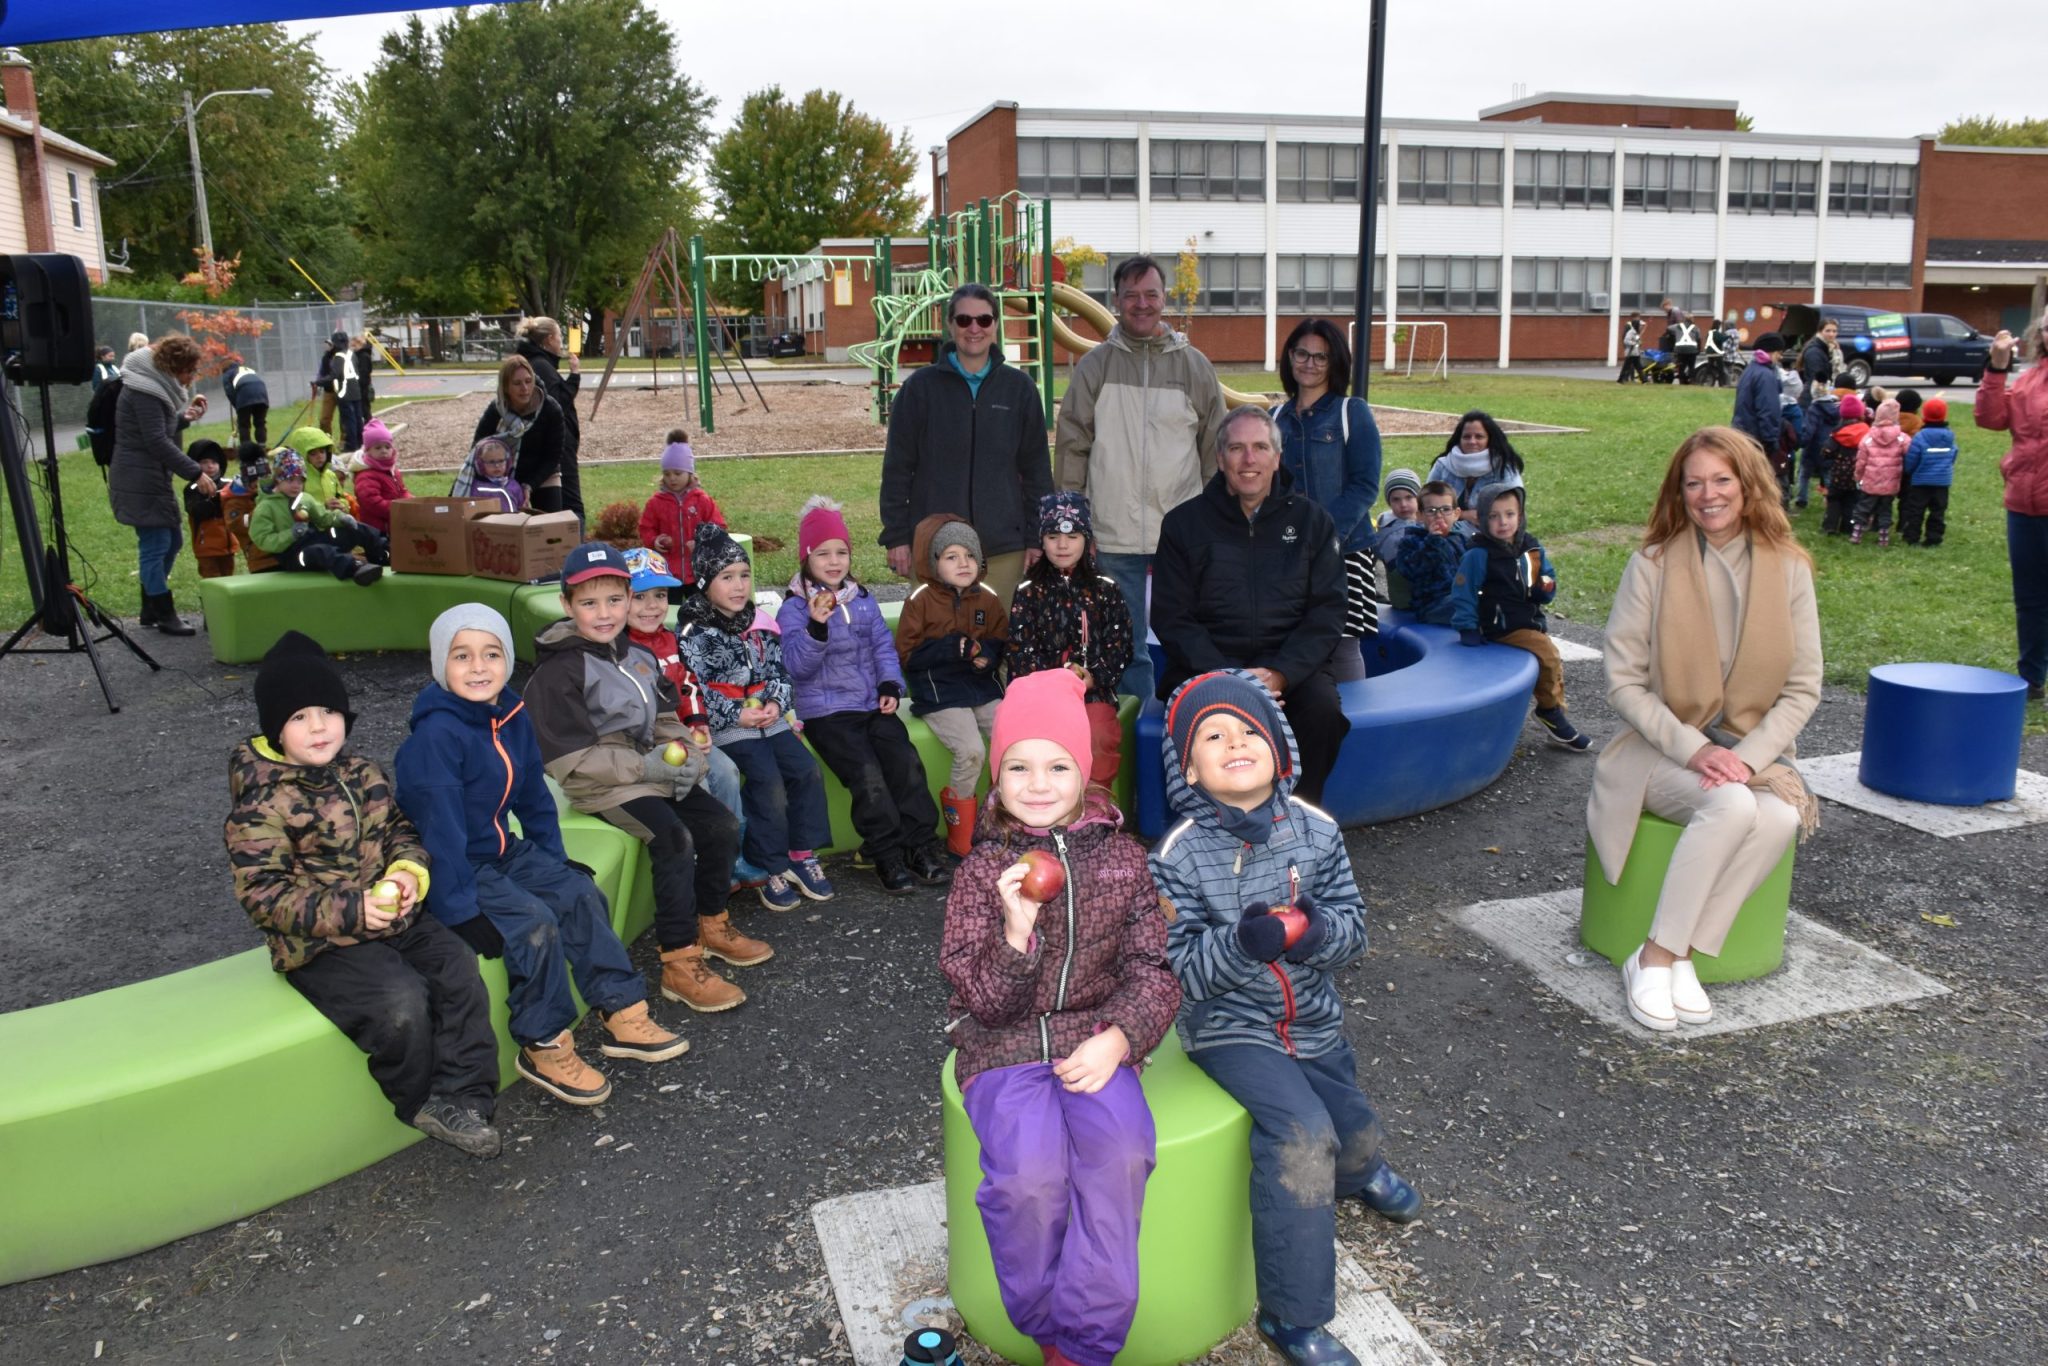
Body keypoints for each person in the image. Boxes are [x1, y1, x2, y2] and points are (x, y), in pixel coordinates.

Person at [1152, 670, 1422, 1366]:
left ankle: (1361, 1174)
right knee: (1302, 1137)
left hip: (1314, 1020)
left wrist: (1307, 930)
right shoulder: (1176, 857)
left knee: (1351, 1127)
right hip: (1231, 1029)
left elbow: (1354, 933)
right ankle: (1292, 1316)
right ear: (1189, 767)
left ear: (1281, 751)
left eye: (1250, 731)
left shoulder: (1318, 831)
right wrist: (1243, 943)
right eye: (1212, 736)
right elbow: (1183, 970)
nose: (1234, 741)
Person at [940, 667, 1180, 1366]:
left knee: (1121, 1156)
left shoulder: (1125, 861)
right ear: (997, 774)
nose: (1038, 783)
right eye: (1018, 765)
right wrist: (1016, 932)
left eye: (1057, 765)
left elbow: (1152, 969)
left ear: (1086, 775)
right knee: (1028, 1182)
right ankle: (1047, 1327)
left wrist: (1121, 1038)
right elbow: (979, 997)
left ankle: (1087, 1345)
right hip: (1002, 1046)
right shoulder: (981, 872)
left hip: (1096, 1040)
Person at [397, 603, 690, 1106]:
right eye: (461, 656)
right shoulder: (435, 738)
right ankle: (543, 1042)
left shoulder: (510, 714)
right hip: (456, 866)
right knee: (534, 923)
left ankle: (620, 1007)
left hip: (502, 850)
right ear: (439, 665)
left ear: (507, 661)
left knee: (578, 892)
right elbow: (439, 833)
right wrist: (460, 910)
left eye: (491, 654)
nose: (478, 667)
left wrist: (554, 860)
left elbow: (533, 796)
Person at [228, 630, 500, 1156]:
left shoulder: (361, 772)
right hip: (322, 944)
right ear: (275, 728)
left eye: (328, 712)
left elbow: (400, 830)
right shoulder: (261, 802)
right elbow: (262, 894)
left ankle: (466, 1096)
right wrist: (354, 911)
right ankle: (419, 1098)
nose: (318, 727)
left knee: (459, 968)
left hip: (395, 917)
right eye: (299, 717)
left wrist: (405, 874)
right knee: (399, 1003)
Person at [1588, 427, 1821, 1033]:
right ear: (1679, 491)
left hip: (1749, 754)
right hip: (1657, 750)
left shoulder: (1789, 569)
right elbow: (1624, 683)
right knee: (1733, 808)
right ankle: (1662, 956)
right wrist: (1696, 752)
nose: (1707, 494)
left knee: (1777, 815)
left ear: (1747, 485)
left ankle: (1668, 952)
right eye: (1694, 483)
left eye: (1721, 480)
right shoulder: (1654, 564)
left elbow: (1802, 688)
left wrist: (1746, 759)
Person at [524, 545, 762, 1015]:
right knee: (673, 837)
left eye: (614, 600)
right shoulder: (558, 672)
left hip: (649, 768)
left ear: (628, 600)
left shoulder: (635, 655)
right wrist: (649, 767)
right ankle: (678, 960)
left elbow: (667, 717)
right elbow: (572, 760)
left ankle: (711, 922)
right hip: (602, 784)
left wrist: (687, 753)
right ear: (567, 606)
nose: (604, 613)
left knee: (719, 823)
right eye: (589, 604)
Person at [1151, 407, 1349, 807]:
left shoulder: (1313, 522)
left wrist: (1280, 674)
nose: (1249, 459)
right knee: (1208, 722)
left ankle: (1298, 817)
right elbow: (1172, 617)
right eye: (1236, 448)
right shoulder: (1183, 524)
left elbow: (1327, 612)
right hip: (1206, 667)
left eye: (1260, 447)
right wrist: (1230, 679)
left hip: (1289, 668)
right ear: (1220, 459)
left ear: (1277, 458)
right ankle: (1219, 828)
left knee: (1323, 714)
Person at [1055, 256, 1229, 699]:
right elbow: (1072, 446)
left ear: (1164, 298)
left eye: (1150, 294)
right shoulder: (1095, 367)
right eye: (1131, 295)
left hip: (1181, 534)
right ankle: (1138, 735)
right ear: (1115, 300)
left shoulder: (1195, 367)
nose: (1141, 304)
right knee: (1124, 646)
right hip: (1112, 536)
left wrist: (1214, 521)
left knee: (1190, 639)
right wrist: (1074, 523)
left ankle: (1196, 723)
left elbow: (1215, 450)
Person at [776, 496, 951, 894]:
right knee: (867, 775)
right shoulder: (796, 608)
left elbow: (882, 650)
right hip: (825, 712)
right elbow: (795, 666)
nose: (834, 561)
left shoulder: (862, 599)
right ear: (807, 556)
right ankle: (885, 852)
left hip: (870, 704)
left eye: (842, 552)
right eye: (823, 553)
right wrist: (816, 627)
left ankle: (920, 846)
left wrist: (890, 685)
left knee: (906, 763)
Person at [678, 525, 838, 911]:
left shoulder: (760, 624)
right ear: (704, 582)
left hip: (769, 718)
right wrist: (736, 713)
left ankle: (801, 853)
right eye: (726, 577)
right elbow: (691, 688)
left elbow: (781, 673)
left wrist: (774, 703)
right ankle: (770, 865)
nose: (738, 586)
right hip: (729, 728)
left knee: (805, 770)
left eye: (744, 576)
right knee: (767, 781)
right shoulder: (693, 632)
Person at [881, 282, 1054, 604]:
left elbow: (1037, 472)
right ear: (950, 325)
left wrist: (1036, 538)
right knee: (935, 648)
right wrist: (896, 538)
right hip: (934, 547)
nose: (974, 328)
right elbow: (897, 470)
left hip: (1003, 549)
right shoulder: (920, 389)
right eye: (964, 320)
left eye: (984, 320)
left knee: (998, 647)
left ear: (996, 324)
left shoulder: (1020, 390)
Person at [621, 547, 771, 894]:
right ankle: (706, 862)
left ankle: (732, 857)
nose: (652, 606)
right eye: (639, 597)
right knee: (698, 784)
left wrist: (699, 723)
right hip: (651, 745)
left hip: (685, 734)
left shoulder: (670, 641)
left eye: (660, 596)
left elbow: (688, 685)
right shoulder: (621, 648)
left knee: (727, 773)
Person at [895, 513, 1010, 857]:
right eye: (951, 557)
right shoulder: (921, 600)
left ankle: (1003, 818)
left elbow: (999, 637)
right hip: (939, 692)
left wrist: (987, 654)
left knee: (1012, 739)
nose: (963, 563)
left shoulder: (986, 598)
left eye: (970, 555)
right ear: (934, 563)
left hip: (980, 686)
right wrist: (949, 648)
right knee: (971, 750)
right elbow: (906, 653)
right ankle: (960, 832)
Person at [1271, 319, 1384, 668]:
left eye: (1321, 357)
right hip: (1289, 552)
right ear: (1290, 357)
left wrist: (1321, 535)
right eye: (1303, 353)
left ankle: (1356, 722)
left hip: (1345, 549)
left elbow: (1365, 485)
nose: (1310, 363)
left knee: (1342, 646)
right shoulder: (1275, 418)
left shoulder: (1352, 412)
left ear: (1334, 362)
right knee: (1295, 643)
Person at [1007, 491, 1134, 787]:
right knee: (1031, 742)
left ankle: (1095, 811)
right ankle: (1034, 812)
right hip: (1040, 694)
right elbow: (1018, 650)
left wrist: (1094, 677)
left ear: (1087, 540)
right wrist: (1053, 680)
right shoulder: (1027, 591)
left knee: (1098, 737)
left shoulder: (1106, 589)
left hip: (1092, 691)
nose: (1062, 545)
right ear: (1042, 540)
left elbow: (1121, 646)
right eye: (1052, 536)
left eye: (1073, 536)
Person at [1452, 486, 1590, 751]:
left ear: (1521, 514)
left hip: (1530, 618)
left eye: (1509, 514)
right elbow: (1463, 591)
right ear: (1480, 519)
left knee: (1546, 657)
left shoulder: (1531, 547)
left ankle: (1551, 707)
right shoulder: (1478, 554)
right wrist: (1467, 626)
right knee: (1548, 656)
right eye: (1493, 516)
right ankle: (1550, 711)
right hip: (1501, 625)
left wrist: (1546, 588)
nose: (1503, 522)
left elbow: (1545, 576)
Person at [108, 333, 211, 634]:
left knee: (171, 541)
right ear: (172, 366)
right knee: (155, 545)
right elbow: (155, 441)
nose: (191, 377)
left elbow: (156, 428)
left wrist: (185, 417)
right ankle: (163, 612)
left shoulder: (154, 387)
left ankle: (150, 608)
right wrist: (195, 472)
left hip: (149, 476)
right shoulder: (145, 390)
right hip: (138, 476)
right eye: (189, 370)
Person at [1975, 316, 2048, 702]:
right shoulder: (2029, 380)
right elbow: (1990, 418)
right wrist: (1997, 368)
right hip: (2024, 502)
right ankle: (2032, 677)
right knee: (2031, 596)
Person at [247, 452, 388, 586]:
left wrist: (340, 518)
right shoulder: (266, 507)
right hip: (292, 555)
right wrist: (291, 534)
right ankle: (356, 569)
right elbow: (262, 539)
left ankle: (384, 554)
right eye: (290, 480)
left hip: (312, 538)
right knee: (321, 551)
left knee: (354, 529)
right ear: (277, 480)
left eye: (300, 480)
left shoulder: (305, 498)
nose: (296, 485)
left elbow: (323, 518)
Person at [474, 355, 572, 517]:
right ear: (506, 387)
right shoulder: (496, 410)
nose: (525, 388)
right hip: (504, 475)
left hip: (543, 472)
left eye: (528, 381)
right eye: (517, 383)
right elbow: (477, 449)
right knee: (505, 528)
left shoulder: (550, 408)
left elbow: (553, 456)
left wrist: (529, 486)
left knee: (551, 526)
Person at [638, 435, 725, 601]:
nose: (672, 478)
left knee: (702, 609)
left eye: (677, 473)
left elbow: (718, 527)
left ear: (690, 472)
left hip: (698, 570)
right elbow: (645, 528)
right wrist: (654, 541)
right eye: (667, 473)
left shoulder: (702, 500)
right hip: (667, 572)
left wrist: (702, 541)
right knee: (670, 611)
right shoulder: (656, 503)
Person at [514, 316, 582, 513]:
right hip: (557, 445)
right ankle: (571, 542)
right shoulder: (541, 366)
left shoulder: (534, 363)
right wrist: (575, 375)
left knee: (551, 508)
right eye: (559, 336)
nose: (561, 341)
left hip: (545, 445)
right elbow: (559, 401)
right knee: (572, 506)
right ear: (550, 339)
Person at [1427, 411, 1526, 525]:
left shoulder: (1504, 468)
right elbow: (1426, 506)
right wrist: (1463, 515)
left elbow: (1516, 510)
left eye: (1479, 437)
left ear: (1489, 439)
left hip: (1492, 536)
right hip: (1446, 534)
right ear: (1459, 439)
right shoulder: (1442, 465)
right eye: (1466, 437)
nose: (1472, 441)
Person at [1394, 482, 1469, 626]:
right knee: (1466, 604)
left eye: (1446, 509)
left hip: (1461, 596)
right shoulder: (1411, 541)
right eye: (1431, 510)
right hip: (1433, 606)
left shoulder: (1462, 541)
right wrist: (1433, 542)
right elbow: (1411, 571)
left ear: (1456, 514)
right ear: (1420, 516)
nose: (1439, 516)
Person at [1900, 397, 1958, 548]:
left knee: (1915, 510)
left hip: (1920, 481)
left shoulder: (1921, 436)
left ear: (1924, 415)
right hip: (1942, 482)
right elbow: (1954, 453)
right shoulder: (1949, 436)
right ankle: (1934, 537)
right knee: (1938, 511)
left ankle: (1911, 537)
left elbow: (1913, 456)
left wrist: (1909, 470)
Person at [1851, 399, 1908, 547]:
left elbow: (1861, 461)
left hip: (1870, 481)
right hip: (1890, 483)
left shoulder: (1868, 438)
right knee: (1885, 510)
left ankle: (1856, 532)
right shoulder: (1901, 438)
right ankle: (1884, 536)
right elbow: (1910, 453)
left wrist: (1858, 476)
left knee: (1863, 507)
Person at [183, 440, 236, 580]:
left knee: (229, 576)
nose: (210, 466)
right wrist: (214, 498)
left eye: (214, 462)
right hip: (206, 546)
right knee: (211, 577)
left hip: (228, 545)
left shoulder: (229, 485)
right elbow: (197, 511)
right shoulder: (192, 489)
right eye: (204, 462)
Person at [1373, 468, 1426, 610]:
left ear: (1419, 498)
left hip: (1429, 595)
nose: (1403, 504)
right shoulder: (1385, 529)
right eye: (1396, 499)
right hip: (1402, 599)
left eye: (1409, 497)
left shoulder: (1429, 522)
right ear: (1389, 502)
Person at [1819, 395, 1870, 536]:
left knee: (1834, 499)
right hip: (1856, 473)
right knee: (1851, 501)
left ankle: (1830, 525)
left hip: (1838, 473)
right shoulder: (1866, 431)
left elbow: (1826, 451)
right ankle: (1848, 526)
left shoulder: (1838, 432)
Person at [1731, 332, 1785, 461]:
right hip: (1756, 437)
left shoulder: (1751, 369)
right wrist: (1771, 440)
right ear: (1771, 352)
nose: (1780, 357)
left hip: (1742, 431)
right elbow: (1768, 409)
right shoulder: (1765, 375)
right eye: (1778, 353)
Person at [284, 426, 355, 523]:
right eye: (313, 453)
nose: (319, 456)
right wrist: (323, 507)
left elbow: (341, 497)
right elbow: (296, 508)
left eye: (322, 451)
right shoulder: (298, 480)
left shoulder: (330, 475)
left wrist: (342, 505)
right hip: (311, 529)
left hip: (334, 523)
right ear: (302, 455)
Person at [352, 420, 411, 536]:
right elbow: (372, 502)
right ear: (368, 451)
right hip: (377, 530)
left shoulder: (392, 471)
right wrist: (397, 509)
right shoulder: (366, 475)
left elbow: (402, 491)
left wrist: (412, 502)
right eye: (378, 448)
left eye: (387, 447)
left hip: (394, 523)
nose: (383, 450)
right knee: (383, 552)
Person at [450, 435, 527, 515]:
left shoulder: (513, 485)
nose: (497, 465)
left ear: (507, 462)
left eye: (501, 461)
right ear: (480, 464)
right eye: (491, 462)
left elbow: (522, 507)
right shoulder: (477, 488)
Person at [221, 360, 270, 448]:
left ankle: (247, 449)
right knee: (260, 422)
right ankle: (262, 447)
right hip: (262, 392)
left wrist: (238, 408)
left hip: (245, 392)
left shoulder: (227, 373)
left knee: (244, 424)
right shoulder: (246, 369)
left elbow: (229, 392)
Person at [330, 332, 366, 453]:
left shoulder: (338, 357)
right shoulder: (352, 354)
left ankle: (352, 444)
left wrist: (318, 382)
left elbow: (335, 375)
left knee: (349, 419)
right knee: (357, 418)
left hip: (344, 392)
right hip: (355, 390)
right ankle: (360, 442)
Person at [1664, 312, 1700, 385]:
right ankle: (1692, 381)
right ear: (1692, 319)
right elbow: (1699, 339)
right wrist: (1698, 349)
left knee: (1681, 367)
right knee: (1691, 366)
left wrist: (1672, 336)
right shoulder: (1696, 328)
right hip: (1692, 350)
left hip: (1680, 349)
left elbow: (1668, 328)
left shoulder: (1677, 326)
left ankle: (1681, 381)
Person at [1617, 316, 1645, 384]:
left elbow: (1637, 341)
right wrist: (1634, 343)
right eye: (1640, 325)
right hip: (1631, 353)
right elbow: (1626, 341)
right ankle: (1620, 380)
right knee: (1626, 367)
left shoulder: (1636, 333)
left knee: (1639, 367)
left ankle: (1644, 380)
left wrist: (1639, 343)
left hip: (1636, 353)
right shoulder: (1631, 332)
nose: (1641, 327)